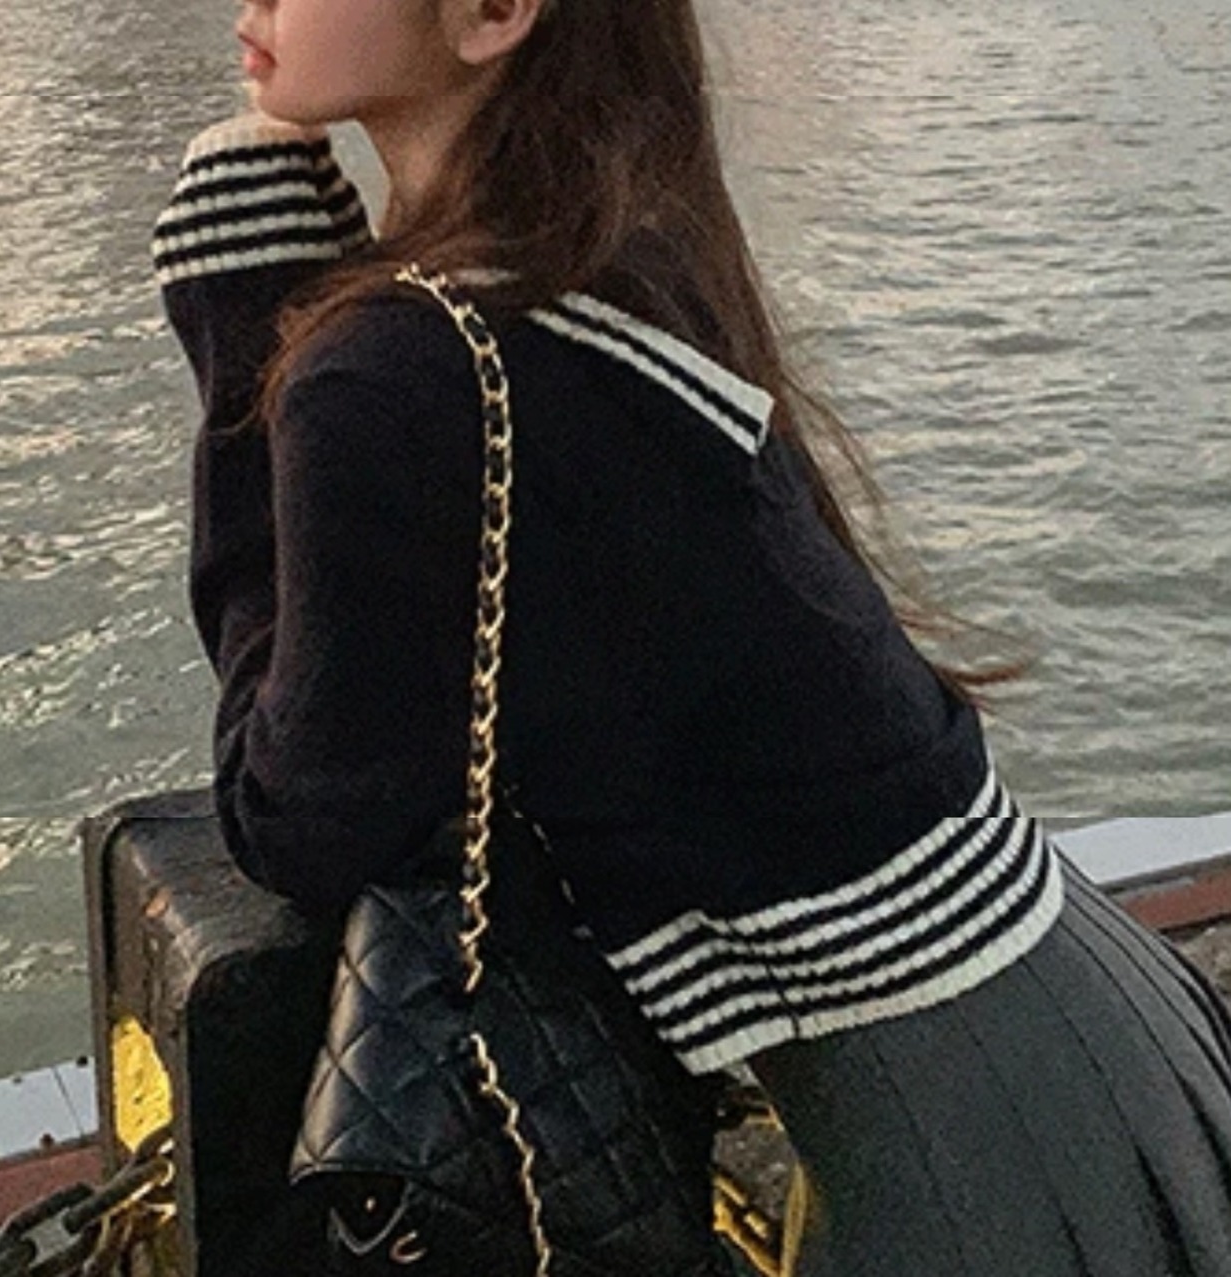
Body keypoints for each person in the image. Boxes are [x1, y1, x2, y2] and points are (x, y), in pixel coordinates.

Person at [152, 0, 1231, 1272]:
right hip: (1079, 1028)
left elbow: (295, 818)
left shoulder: (402, 366)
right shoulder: (612, 254)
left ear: (493, 12)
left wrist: (254, 334)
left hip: (959, 1149)